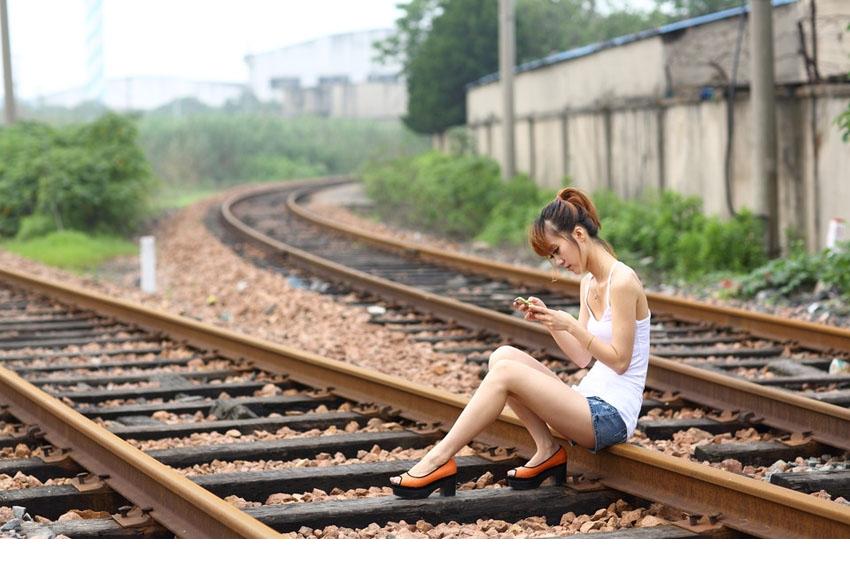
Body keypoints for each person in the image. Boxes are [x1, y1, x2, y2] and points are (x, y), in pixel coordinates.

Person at [388, 187, 651, 499]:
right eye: (551, 256)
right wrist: (551, 323)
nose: (557, 261)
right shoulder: (589, 283)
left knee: (505, 376)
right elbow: (582, 357)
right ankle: (547, 450)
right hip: (588, 399)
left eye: (556, 250)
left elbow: (620, 361)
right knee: (502, 357)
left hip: (611, 417)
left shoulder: (623, 282)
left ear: (578, 234)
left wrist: (570, 324)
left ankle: (437, 459)